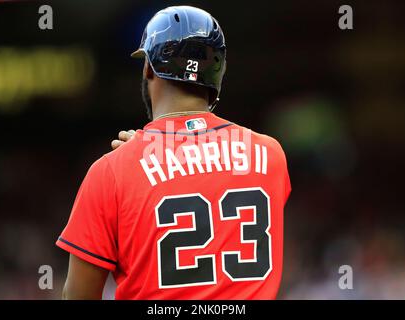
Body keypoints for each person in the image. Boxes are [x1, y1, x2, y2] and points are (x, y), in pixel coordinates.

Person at [57, 5, 291, 300]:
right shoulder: (270, 156)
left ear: (148, 68)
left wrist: (139, 158)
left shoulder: (111, 172)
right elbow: (212, 175)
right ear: (217, 74)